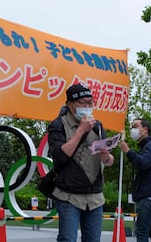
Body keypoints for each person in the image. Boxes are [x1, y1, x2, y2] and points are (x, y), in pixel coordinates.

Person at [48, 83, 114, 242]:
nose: (87, 107)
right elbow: (59, 157)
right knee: (67, 239)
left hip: (95, 197)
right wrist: (80, 131)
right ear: (70, 104)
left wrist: (106, 157)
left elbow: (109, 161)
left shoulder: (97, 126)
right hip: (69, 196)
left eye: (90, 103)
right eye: (82, 103)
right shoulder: (58, 125)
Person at [119, 118, 151, 242]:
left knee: (142, 232)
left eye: (135, 126)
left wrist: (128, 151)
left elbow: (144, 163)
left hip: (148, 197)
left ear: (145, 129)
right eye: (131, 127)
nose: (132, 130)